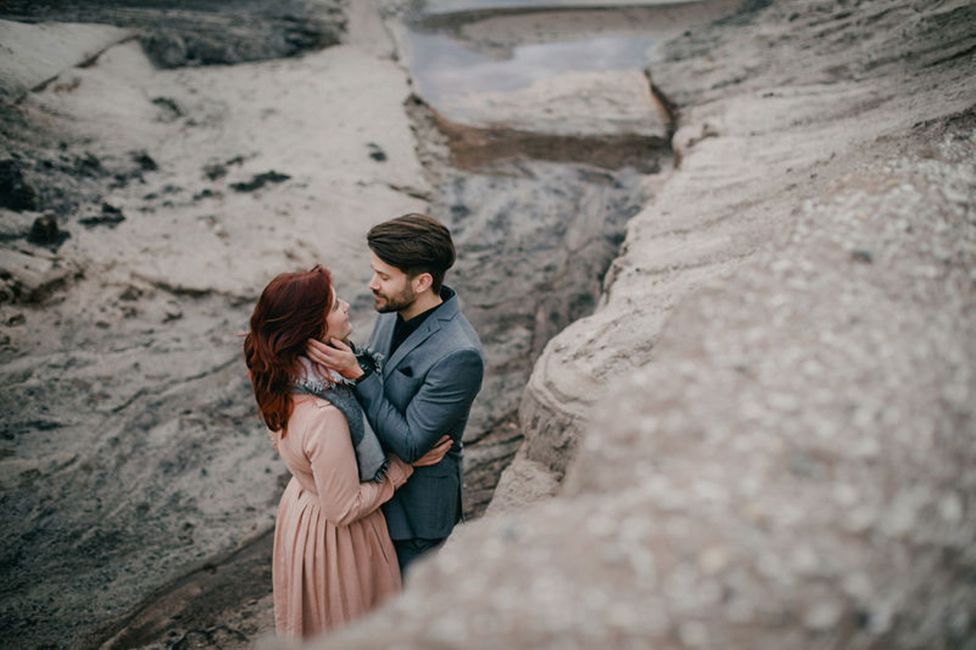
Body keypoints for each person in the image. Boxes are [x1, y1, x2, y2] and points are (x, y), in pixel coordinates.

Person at [243, 265, 452, 640]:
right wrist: (404, 466)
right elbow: (343, 508)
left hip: (304, 509)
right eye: (334, 304)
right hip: (339, 537)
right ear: (313, 329)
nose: (346, 306)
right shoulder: (326, 415)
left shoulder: (287, 378)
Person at [306, 213, 484, 575]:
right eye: (374, 271)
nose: (373, 284)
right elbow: (375, 376)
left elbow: (412, 444)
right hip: (375, 496)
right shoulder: (392, 310)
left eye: (384, 276)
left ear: (422, 282)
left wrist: (356, 373)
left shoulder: (459, 354)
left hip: (418, 520)